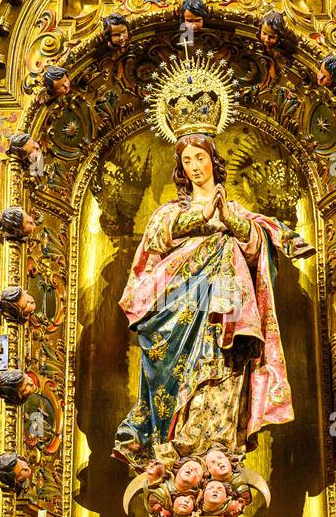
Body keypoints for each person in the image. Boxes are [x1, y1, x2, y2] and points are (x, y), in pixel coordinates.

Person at [113, 132, 313, 466]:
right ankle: (177, 450)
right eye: (187, 160)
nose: (194, 166)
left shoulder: (236, 212)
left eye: (200, 157)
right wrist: (203, 217)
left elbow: (256, 249)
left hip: (228, 317)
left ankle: (219, 452)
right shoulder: (170, 211)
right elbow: (158, 239)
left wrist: (228, 218)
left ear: (213, 161)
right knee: (178, 381)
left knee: (222, 373)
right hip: (180, 313)